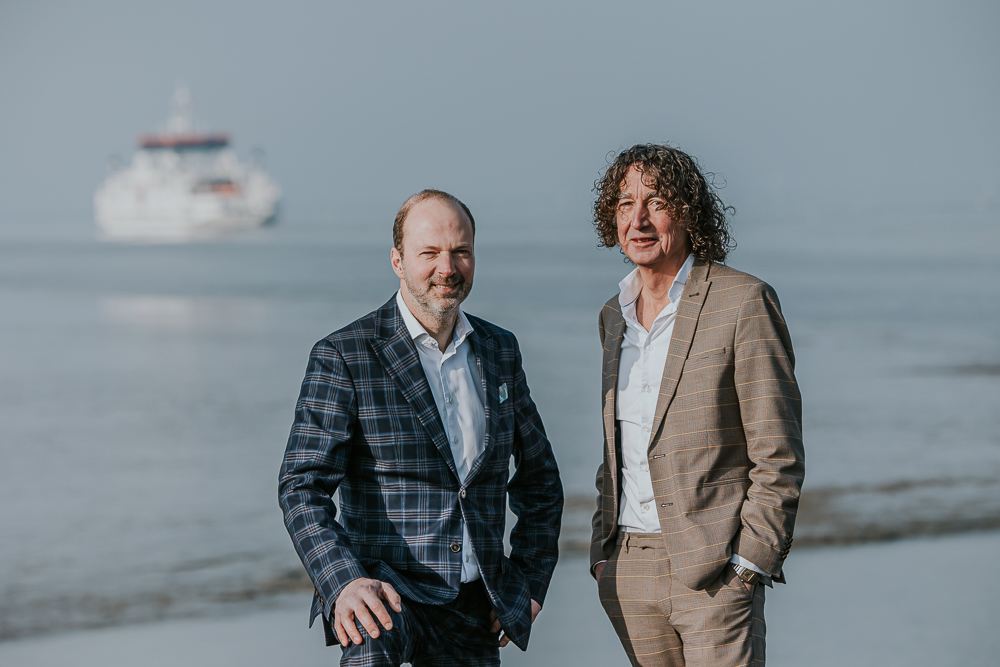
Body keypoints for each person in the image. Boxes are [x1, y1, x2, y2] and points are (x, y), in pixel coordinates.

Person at [278, 189, 563, 667]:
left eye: (460, 251)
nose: (447, 268)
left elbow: (541, 481)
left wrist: (529, 584)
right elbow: (301, 486)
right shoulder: (345, 355)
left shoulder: (500, 350)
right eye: (429, 253)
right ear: (398, 260)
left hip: (475, 605)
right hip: (383, 593)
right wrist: (342, 581)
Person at [589, 144, 804, 666]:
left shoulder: (743, 302)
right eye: (625, 204)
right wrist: (602, 552)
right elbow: (618, 446)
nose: (638, 219)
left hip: (716, 574)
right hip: (630, 571)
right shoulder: (613, 316)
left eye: (656, 202)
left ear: (688, 212)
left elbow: (778, 453)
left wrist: (750, 563)